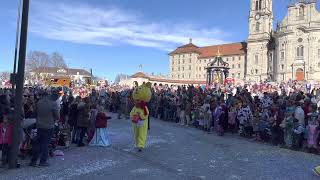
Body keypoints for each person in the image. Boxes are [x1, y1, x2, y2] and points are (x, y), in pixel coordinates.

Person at [30, 90, 60, 167]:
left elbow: (34, 113)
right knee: (45, 144)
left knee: (38, 144)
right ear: (48, 95)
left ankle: (33, 160)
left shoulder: (39, 103)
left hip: (39, 125)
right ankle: (43, 161)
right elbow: (57, 116)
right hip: (49, 126)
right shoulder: (52, 103)